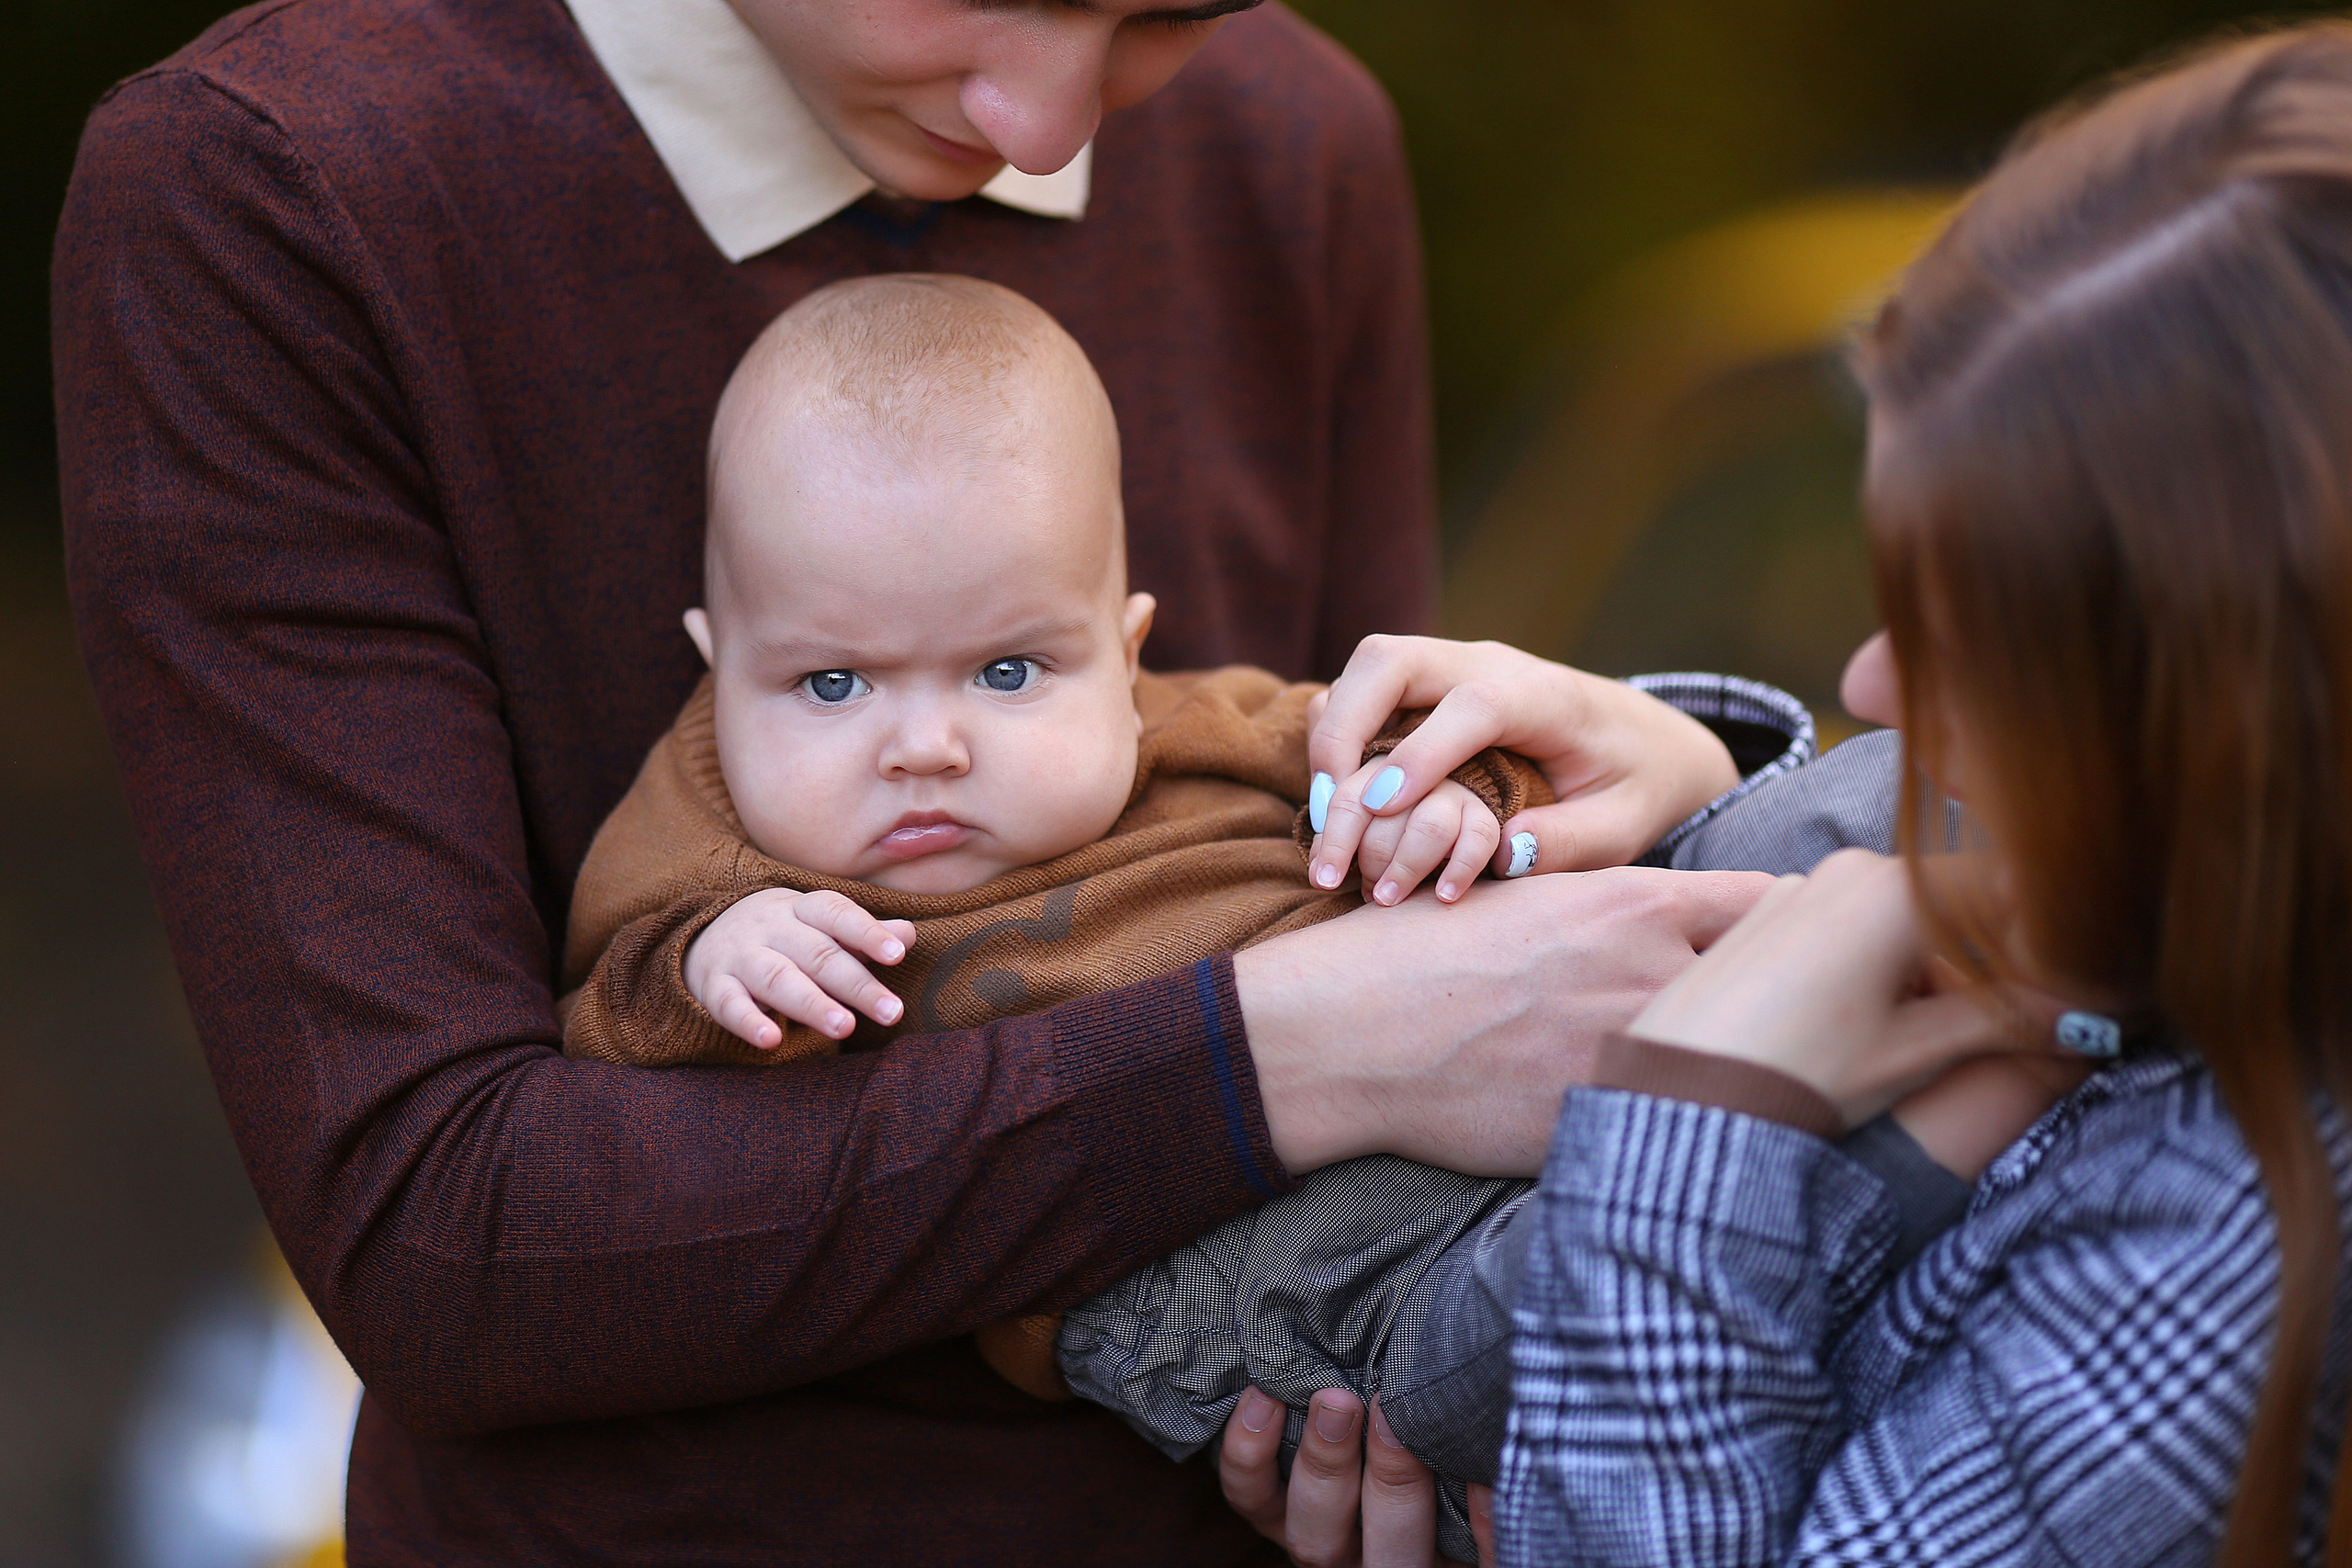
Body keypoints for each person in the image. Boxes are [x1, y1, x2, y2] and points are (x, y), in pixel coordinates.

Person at [52, 1, 1771, 1560]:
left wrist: (1657, 778)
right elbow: (444, 1249)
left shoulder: (1288, 132)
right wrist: (1282, 1060)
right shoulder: (286, 186)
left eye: (1170, 16)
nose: (1047, 125)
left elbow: (1364, 847)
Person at [571, 271, 2031, 1565]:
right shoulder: (711, 837)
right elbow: (615, 1009)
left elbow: (1415, 752)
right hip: (1199, 1260)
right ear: (719, 663)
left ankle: (2068, 851)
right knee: (1519, 1317)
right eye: (831, 685)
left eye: (1008, 673)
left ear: (1122, 651)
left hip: (1502, 1013)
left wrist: (1450, 807)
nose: (926, 746)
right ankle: (1909, 1125)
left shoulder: (1206, 726)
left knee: (1832, 813)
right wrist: (717, 960)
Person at [1273, 24, 2352, 1564]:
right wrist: (1700, 787)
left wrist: (1687, 1146)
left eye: (1985, 647)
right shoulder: (2168, 922)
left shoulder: (2229, 1230)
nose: (1869, 684)